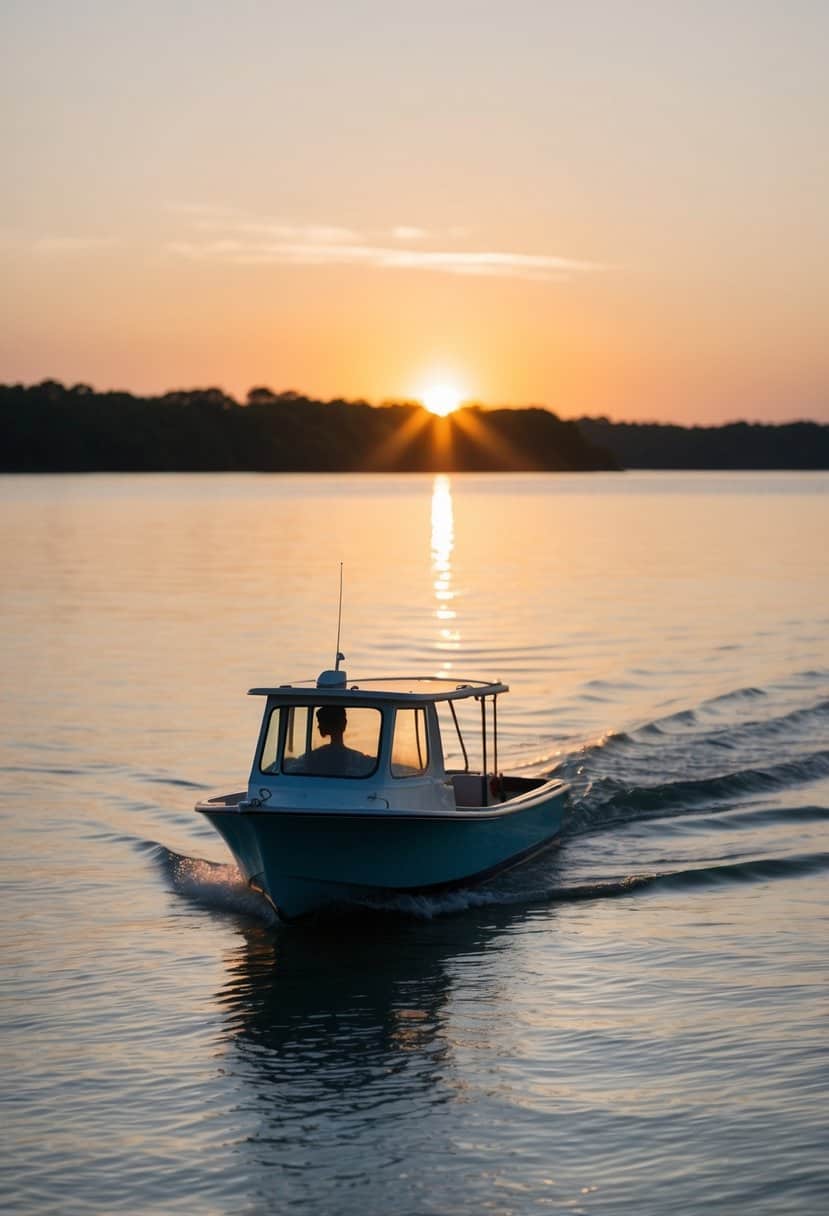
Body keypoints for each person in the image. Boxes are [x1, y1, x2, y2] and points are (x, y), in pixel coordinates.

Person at [295, 705, 374, 776]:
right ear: (344, 724)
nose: (318, 726)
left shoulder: (312, 757)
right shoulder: (357, 759)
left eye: (320, 722)